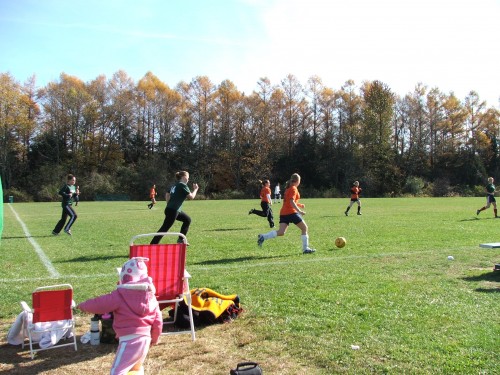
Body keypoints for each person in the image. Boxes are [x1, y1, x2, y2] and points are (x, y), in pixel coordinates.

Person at [78, 257, 162, 375]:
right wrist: (155, 338)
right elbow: (158, 320)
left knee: (117, 371)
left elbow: (99, 304)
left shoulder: (119, 295)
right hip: (145, 339)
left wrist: (82, 306)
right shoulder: (151, 297)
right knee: (136, 369)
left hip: (129, 340)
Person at [257, 173, 315, 254]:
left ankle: (263, 237)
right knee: (304, 228)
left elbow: (289, 201)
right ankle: (305, 249)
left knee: (281, 232)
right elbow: (291, 202)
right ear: (298, 181)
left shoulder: (289, 188)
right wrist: (300, 211)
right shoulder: (294, 188)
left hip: (284, 213)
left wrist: (299, 205)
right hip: (291, 213)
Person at [150, 171, 199, 245]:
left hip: (172, 209)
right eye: (188, 178)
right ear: (184, 177)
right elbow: (191, 197)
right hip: (173, 210)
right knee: (164, 228)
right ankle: (152, 245)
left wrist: (169, 204)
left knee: (187, 220)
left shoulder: (175, 185)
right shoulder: (182, 185)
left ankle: (181, 240)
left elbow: (167, 194)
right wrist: (195, 189)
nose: (188, 180)